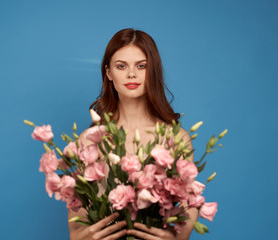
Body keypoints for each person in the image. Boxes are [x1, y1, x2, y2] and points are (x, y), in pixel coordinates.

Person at [68, 28, 198, 240]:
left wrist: (178, 238)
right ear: (109, 72)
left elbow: (189, 203)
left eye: (141, 66)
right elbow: (77, 207)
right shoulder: (91, 139)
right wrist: (80, 236)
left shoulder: (177, 138)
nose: (131, 74)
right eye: (121, 66)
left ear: (152, 71)